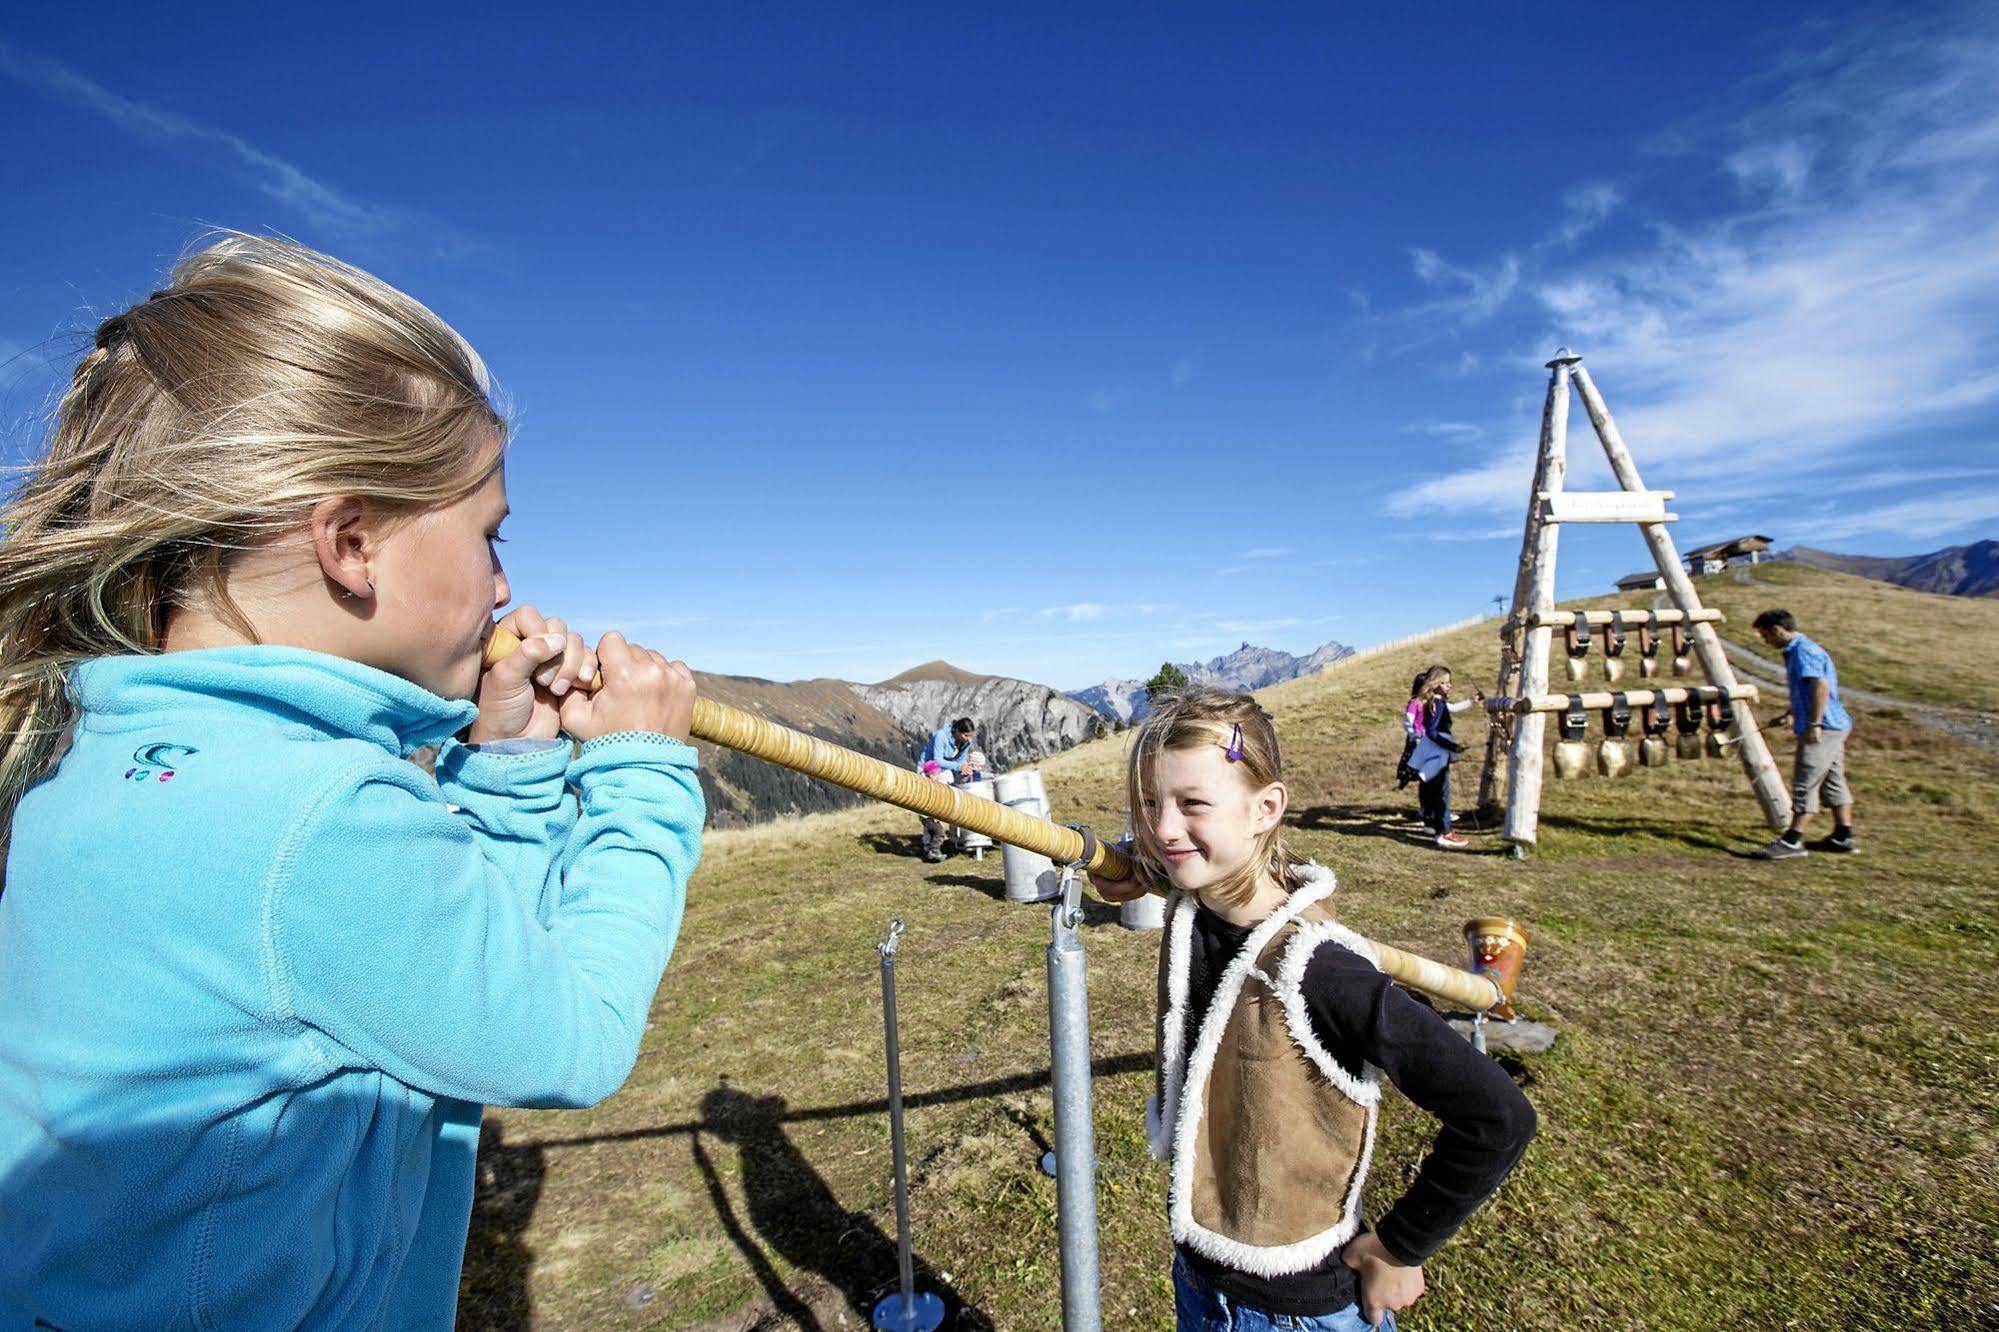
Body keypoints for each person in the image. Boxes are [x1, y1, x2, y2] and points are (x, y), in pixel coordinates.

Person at [0, 235, 705, 1329]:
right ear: (352, 540)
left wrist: (511, 760)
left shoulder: (110, 756)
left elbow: (455, 974)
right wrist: (642, 770)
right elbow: (568, 1035)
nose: (505, 582)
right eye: (488, 534)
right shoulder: (312, 815)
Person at [1093, 687, 1535, 1331]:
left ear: (1266, 808)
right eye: (1148, 805)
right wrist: (1144, 864)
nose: (1162, 827)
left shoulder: (1321, 973)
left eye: (1192, 804)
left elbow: (1499, 1115)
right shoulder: (1205, 904)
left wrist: (1399, 1248)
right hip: (1201, 1276)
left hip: (1293, 1310)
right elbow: (1189, 857)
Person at [1749, 609, 1858, 859]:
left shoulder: (1803, 651)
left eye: (1766, 636)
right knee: (1833, 780)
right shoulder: (1801, 650)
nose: (1766, 642)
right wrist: (1790, 714)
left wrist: (1814, 724)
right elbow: (1805, 690)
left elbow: (1819, 687)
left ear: (1778, 629)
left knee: (1805, 780)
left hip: (1825, 727)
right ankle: (1843, 836)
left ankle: (1792, 841)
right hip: (1835, 724)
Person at [1411, 666, 1482, 850]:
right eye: (1444, 682)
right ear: (1435, 684)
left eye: (1449, 682)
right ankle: (1444, 832)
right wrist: (1453, 747)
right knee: (1442, 793)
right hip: (1438, 752)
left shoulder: (1431, 702)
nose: (1449, 685)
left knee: (1434, 792)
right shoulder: (1438, 705)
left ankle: (1436, 827)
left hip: (1432, 751)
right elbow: (1434, 731)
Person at [915, 716, 976, 862]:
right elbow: (937, 759)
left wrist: (964, 769)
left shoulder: (966, 743)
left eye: (970, 736)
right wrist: (958, 766)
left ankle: (945, 838)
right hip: (927, 768)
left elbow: (960, 761)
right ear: (957, 731)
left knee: (945, 800)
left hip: (943, 770)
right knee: (929, 805)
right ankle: (928, 845)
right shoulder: (941, 736)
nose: (968, 739)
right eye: (965, 735)